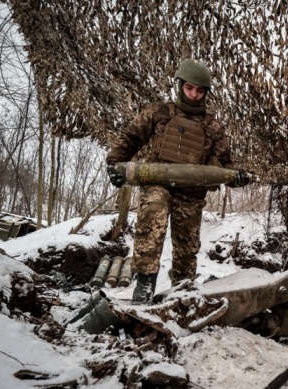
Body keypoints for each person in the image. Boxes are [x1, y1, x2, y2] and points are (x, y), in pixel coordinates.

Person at [106, 58, 250, 304]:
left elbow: (225, 162)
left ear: (205, 93)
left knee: (187, 246)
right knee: (153, 216)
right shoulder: (158, 112)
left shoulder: (213, 126)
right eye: (189, 88)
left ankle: (182, 294)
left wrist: (235, 177)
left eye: (200, 90)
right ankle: (144, 285)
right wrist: (115, 164)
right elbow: (130, 137)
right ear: (180, 85)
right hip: (157, 182)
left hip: (191, 193)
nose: (194, 94)